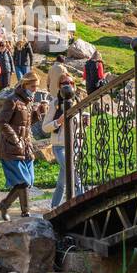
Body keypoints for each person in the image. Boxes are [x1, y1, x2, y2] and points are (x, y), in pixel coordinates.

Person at [0, 73, 41, 220]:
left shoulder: (28, 101)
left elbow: (24, 125)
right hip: (11, 147)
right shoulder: (12, 100)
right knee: (23, 181)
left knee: (28, 182)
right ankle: (25, 213)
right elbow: (2, 122)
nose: (35, 89)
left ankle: (4, 205)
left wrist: (37, 113)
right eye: (32, 86)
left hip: (25, 147)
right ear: (25, 85)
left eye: (36, 86)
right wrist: (15, 139)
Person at [44, 79, 81, 208]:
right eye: (63, 84)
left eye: (70, 83)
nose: (67, 86)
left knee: (61, 182)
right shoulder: (55, 103)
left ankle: (54, 206)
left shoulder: (78, 102)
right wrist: (58, 122)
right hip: (59, 147)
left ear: (73, 85)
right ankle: (81, 198)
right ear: (59, 87)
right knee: (72, 170)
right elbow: (45, 127)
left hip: (74, 146)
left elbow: (78, 127)